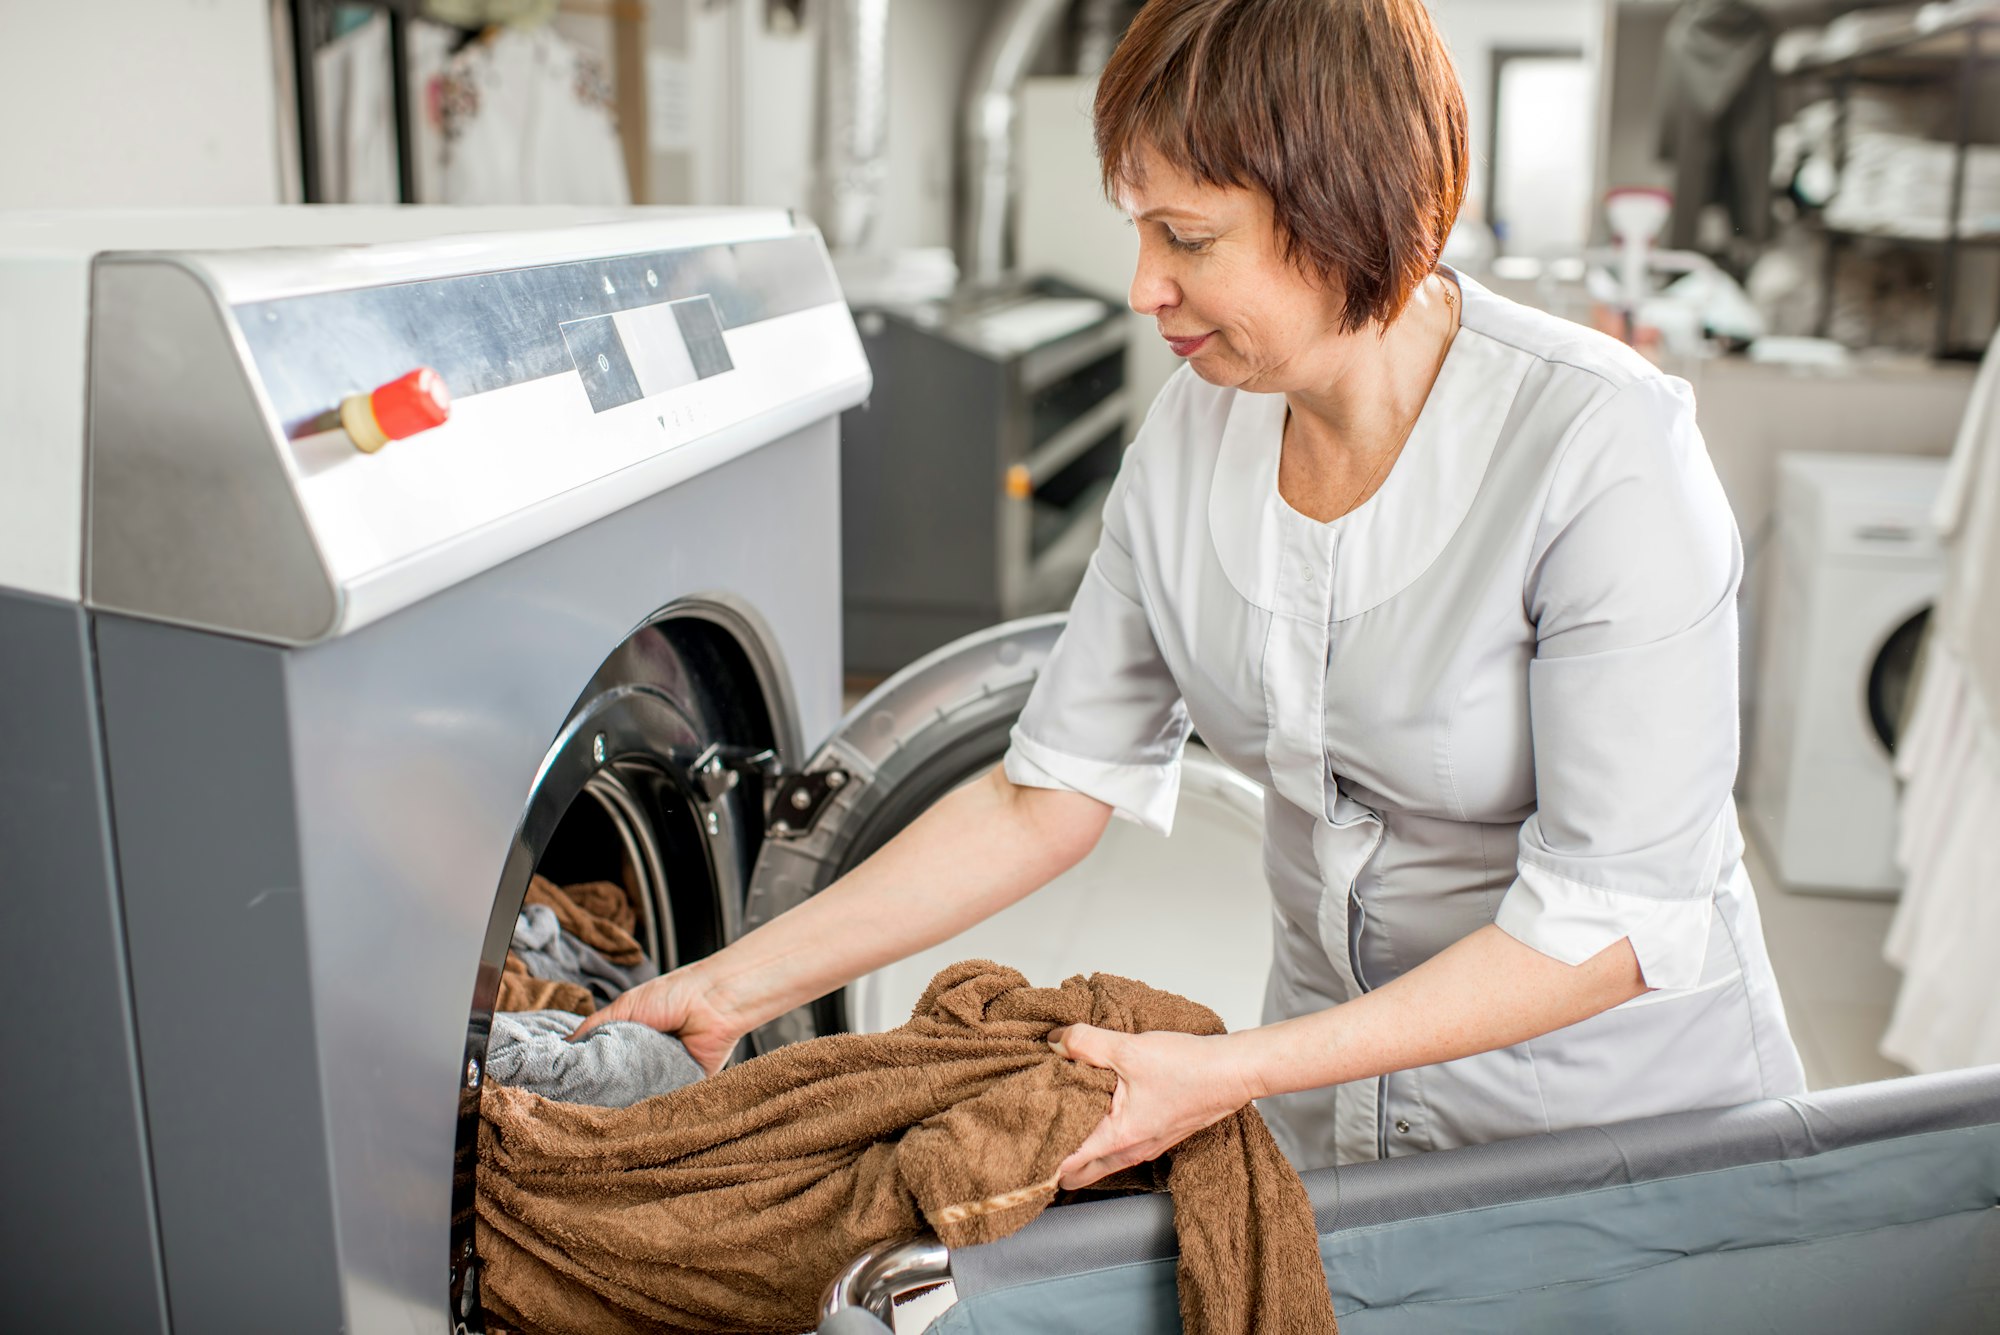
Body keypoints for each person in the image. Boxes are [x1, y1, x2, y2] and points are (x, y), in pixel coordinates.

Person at [575, 0, 1805, 1185]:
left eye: (1188, 239)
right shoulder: (1194, 435)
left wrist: (1236, 1071)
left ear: (1344, 213)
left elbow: (1613, 923)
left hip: (1608, 1140)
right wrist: (734, 983)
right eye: (1140, 231)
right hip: (1330, 1117)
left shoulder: (1599, 447)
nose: (1141, 287)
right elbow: (1043, 796)